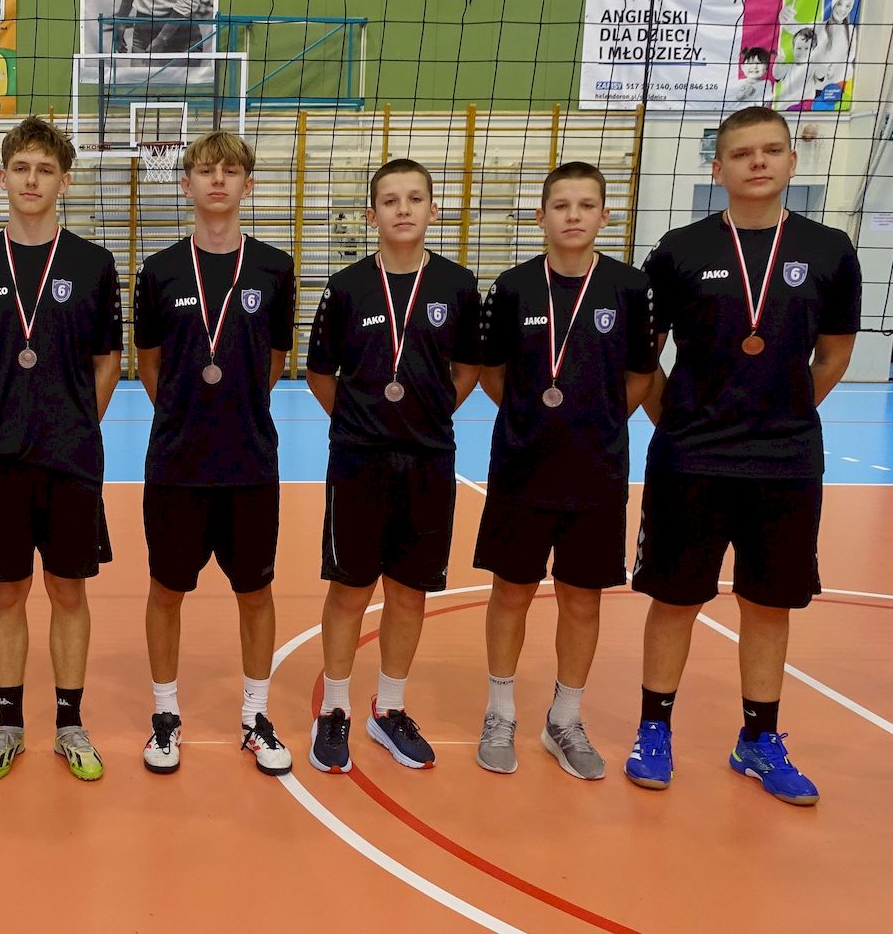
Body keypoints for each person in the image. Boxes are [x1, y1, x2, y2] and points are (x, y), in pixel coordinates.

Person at [626, 106, 859, 806]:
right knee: (674, 598)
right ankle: (653, 730)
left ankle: (758, 739)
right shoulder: (679, 250)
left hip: (785, 461)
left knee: (768, 603)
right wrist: (679, 422)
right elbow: (645, 355)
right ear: (718, 167)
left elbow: (835, 353)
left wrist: (784, 412)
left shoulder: (830, 249)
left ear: (791, 161)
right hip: (690, 458)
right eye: (742, 153)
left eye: (771, 150)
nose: (758, 162)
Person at [0, 116, 123, 781]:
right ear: (2, 177)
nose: (32, 179)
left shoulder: (92, 264)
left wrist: (74, 424)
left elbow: (108, 361)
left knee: (68, 589)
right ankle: (9, 724)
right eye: (21, 168)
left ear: (64, 181)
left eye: (45, 169)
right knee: (7, 593)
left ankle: (70, 723)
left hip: (70, 457)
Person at [473, 162, 657, 780]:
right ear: (541, 216)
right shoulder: (513, 287)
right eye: (560, 205)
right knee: (511, 593)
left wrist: (595, 419)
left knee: (582, 600)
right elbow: (493, 372)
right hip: (522, 467)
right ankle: (500, 713)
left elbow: (641, 375)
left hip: (596, 471)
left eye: (585, 205)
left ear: (605, 215)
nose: (573, 215)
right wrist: (534, 417)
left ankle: (565, 719)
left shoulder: (630, 288)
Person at [303, 158, 481, 773]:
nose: (403, 209)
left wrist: (427, 414)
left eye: (414, 198)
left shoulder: (458, 285)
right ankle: (334, 709)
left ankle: (390, 708)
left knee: (409, 592)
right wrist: (361, 421)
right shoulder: (346, 287)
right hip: (359, 461)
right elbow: (319, 372)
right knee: (349, 589)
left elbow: (468, 368)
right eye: (390, 200)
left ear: (433, 208)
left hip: (428, 461)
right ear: (371, 213)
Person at [133, 131, 297, 776]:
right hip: (176, 463)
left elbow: (276, 359)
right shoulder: (160, 270)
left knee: (255, 592)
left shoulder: (275, 268)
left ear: (248, 185)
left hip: (249, 462)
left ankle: (256, 716)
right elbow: (149, 364)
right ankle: (165, 715)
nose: (218, 180)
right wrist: (185, 412)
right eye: (206, 171)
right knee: (166, 590)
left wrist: (236, 408)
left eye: (231, 171)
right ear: (187, 184)